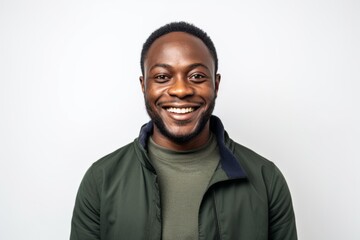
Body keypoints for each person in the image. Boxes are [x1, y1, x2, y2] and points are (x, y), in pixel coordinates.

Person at [70, 21, 297, 240]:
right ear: (144, 86)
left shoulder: (266, 179)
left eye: (196, 76)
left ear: (216, 85)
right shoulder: (101, 180)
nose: (180, 90)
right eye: (162, 77)